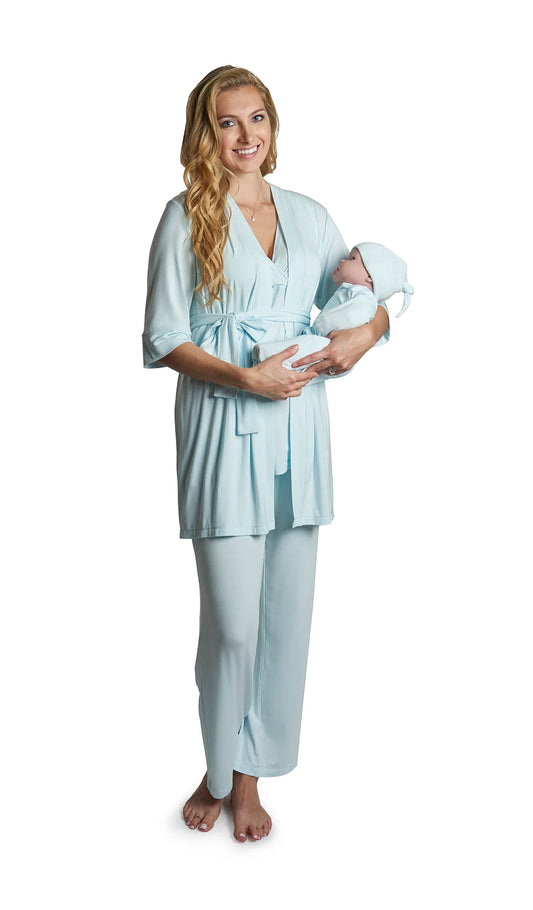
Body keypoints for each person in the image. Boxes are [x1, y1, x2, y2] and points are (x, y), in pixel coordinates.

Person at [142, 65, 390, 843]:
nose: (245, 134)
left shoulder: (310, 216)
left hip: (299, 431)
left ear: (272, 125)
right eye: (227, 121)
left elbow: (367, 295)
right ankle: (218, 764)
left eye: (256, 117)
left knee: (284, 617)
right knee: (233, 625)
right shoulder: (185, 216)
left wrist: (364, 337)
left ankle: (247, 776)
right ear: (205, 133)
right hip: (222, 424)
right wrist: (244, 377)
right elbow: (163, 337)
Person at [253, 242, 414, 381]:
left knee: (303, 353)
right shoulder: (350, 292)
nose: (342, 260)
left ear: (371, 276)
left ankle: (265, 357)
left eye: (352, 259)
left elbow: (349, 318)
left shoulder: (364, 299)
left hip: (329, 341)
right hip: (324, 338)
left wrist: (318, 331)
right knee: (303, 352)